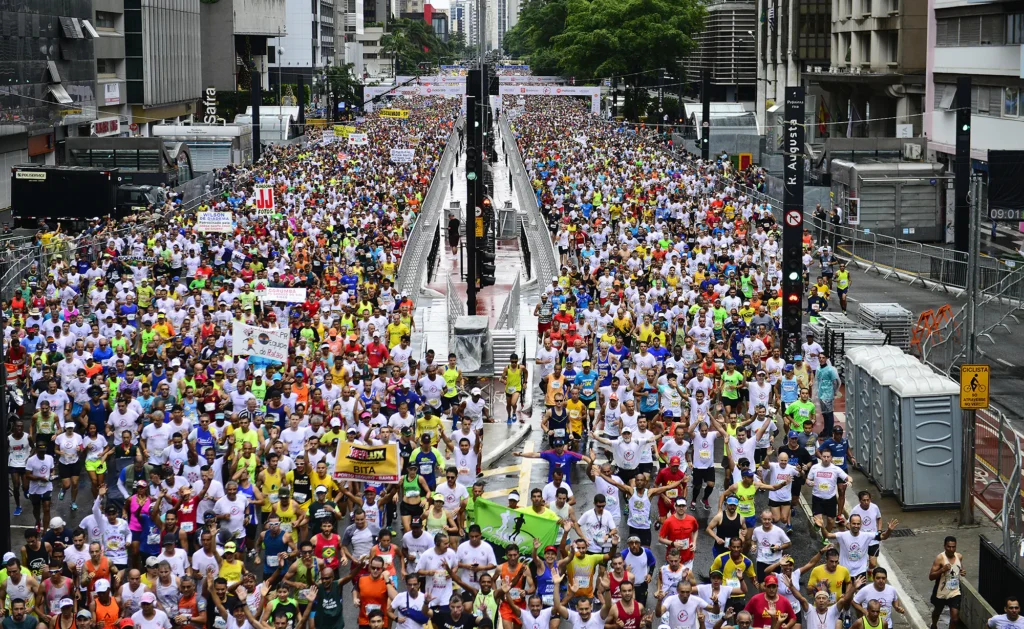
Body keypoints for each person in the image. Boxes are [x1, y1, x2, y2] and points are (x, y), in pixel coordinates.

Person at [928, 536, 963, 629]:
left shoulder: (959, 556)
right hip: (941, 591)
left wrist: (963, 571)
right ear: (944, 546)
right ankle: (934, 625)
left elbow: (959, 568)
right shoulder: (940, 558)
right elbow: (931, 577)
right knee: (937, 611)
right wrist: (942, 570)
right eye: (949, 547)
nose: (951, 549)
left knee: (955, 618)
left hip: (954, 591)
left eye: (953, 547)